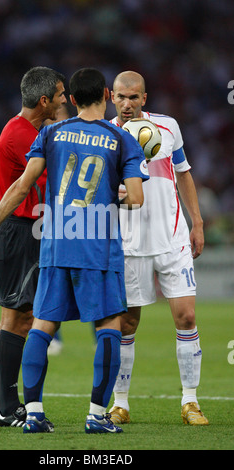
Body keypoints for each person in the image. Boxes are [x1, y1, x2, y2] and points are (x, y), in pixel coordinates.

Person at [0, 67, 149, 434]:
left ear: (73, 99)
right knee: (110, 325)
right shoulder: (121, 137)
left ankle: (31, 413)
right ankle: (96, 416)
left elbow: (20, 187)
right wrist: (114, 194)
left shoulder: (50, 134)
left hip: (55, 243)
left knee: (42, 325)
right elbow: (136, 199)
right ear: (108, 96)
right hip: (98, 246)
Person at [108, 71, 208, 426]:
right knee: (127, 323)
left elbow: (183, 173)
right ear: (110, 97)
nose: (127, 103)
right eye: (121, 97)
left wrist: (196, 222)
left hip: (172, 238)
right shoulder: (105, 136)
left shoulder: (168, 127)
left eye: (134, 97)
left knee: (187, 317)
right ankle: (120, 403)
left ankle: (191, 402)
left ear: (144, 99)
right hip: (129, 242)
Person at [0, 66, 67, 427]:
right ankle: (9, 405)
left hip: (20, 231)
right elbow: (47, 183)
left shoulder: (26, 130)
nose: (65, 101)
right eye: (61, 95)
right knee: (21, 320)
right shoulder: (20, 135)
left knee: (9, 319)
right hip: (21, 231)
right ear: (44, 100)